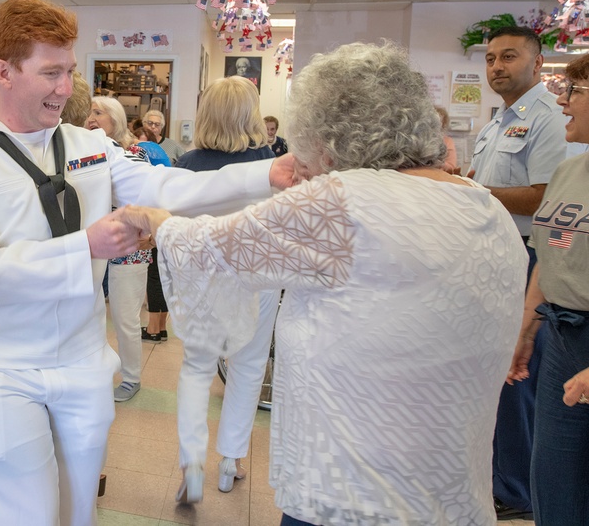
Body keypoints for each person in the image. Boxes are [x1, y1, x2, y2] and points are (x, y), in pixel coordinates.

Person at [0, 0, 293, 526]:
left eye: (68, 70)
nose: (65, 87)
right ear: (5, 72)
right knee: (28, 515)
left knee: (78, 510)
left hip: (82, 362)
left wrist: (264, 175)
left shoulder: (87, 144)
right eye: (50, 72)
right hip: (3, 367)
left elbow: (166, 182)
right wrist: (87, 245)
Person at [118, 41, 527, 526]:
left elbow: (206, 247)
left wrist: (151, 217)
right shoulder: (484, 205)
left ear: (328, 139)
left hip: (354, 492)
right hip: (453, 489)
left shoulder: (343, 202)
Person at [468, 25, 580, 522]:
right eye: (491, 59)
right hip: (497, 257)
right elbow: (490, 185)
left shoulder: (549, 119)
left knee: (518, 376)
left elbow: (544, 197)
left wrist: (475, 195)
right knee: (500, 371)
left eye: (508, 57)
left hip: (529, 256)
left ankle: (516, 490)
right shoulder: (499, 122)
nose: (497, 67)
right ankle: (502, 476)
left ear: (536, 63)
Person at [172, 76, 279, 502]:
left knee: (196, 367)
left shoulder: (188, 164)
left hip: (202, 275)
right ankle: (230, 460)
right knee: (249, 365)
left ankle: (192, 463)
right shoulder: (269, 161)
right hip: (258, 276)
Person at [507, 52, 589, 526]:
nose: (562, 103)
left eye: (575, 92)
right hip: (562, 337)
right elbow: (550, 254)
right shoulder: (570, 172)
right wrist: (526, 332)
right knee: (556, 479)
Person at [86, 95, 152, 403]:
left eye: (98, 113)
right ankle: (95, 371)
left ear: (116, 120)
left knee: (125, 317)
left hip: (130, 247)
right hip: (94, 246)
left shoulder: (133, 153)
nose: (91, 118)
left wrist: (148, 233)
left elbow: (146, 199)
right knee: (89, 313)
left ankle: (131, 377)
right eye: (88, 113)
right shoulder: (80, 152)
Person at [435, 106, 458, 173]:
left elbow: (451, 167)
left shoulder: (447, 141)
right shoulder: (418, 139)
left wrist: (436, 163)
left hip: (440, 177)